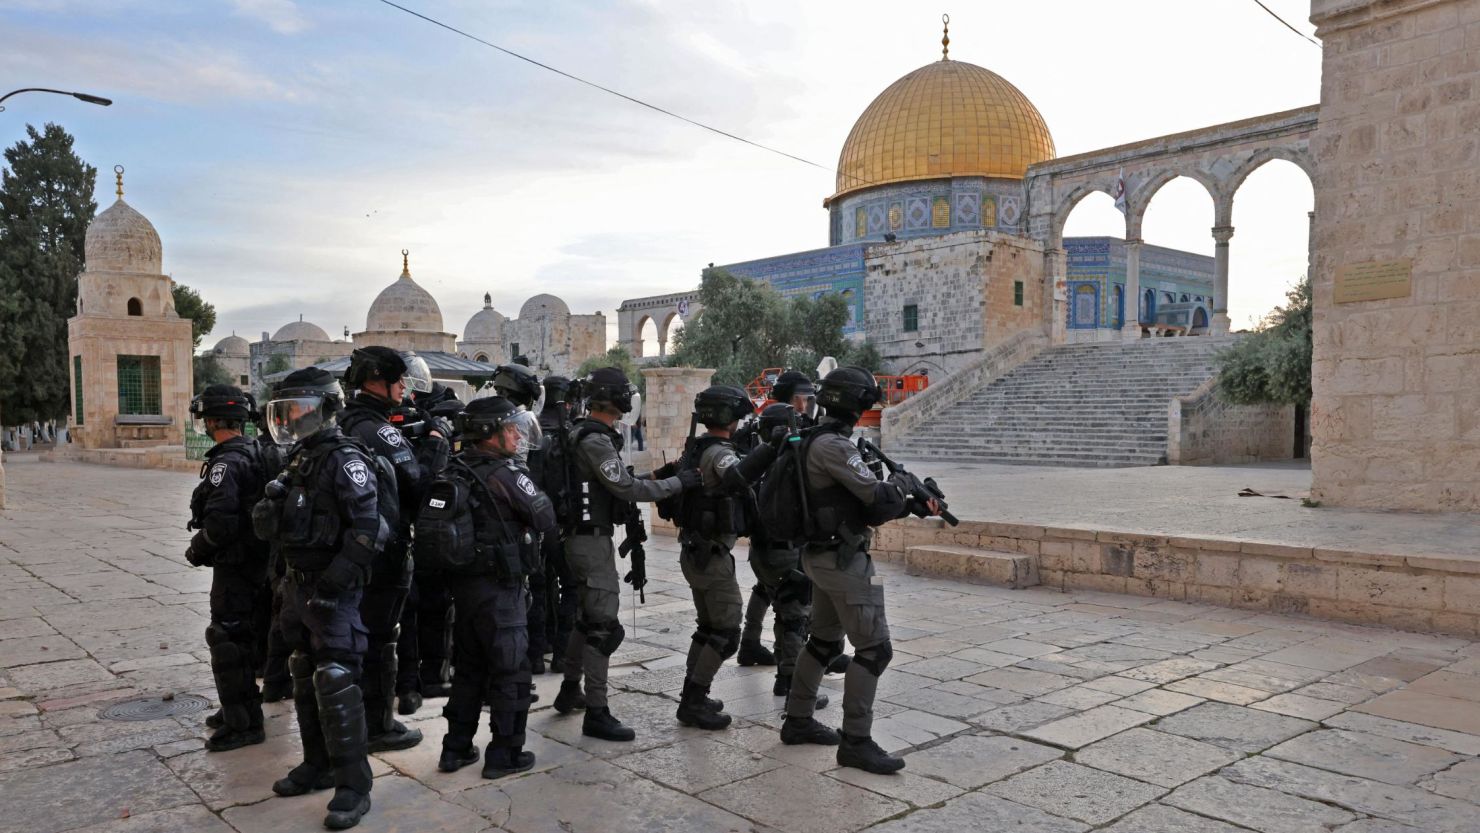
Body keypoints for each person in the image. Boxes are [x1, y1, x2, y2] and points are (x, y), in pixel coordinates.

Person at [779, 366, 939, 775]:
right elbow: (876, 495)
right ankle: (856, 741)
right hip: (844, 561)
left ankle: (798, 720)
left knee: (823, 642)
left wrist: (911, 502)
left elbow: (861, 504)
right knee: (875, 649)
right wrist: (903, 486)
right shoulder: (836, 447)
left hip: (823, 556)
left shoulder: (818, 439)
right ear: (857, 404)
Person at [252, 367, 385, 829]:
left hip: (332, 588)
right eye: (287, 412)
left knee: (336, 678)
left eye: (301, 411)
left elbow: (369, 530)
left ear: (327, 410)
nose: (293, 420)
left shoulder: (345, 459)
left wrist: (335, 584)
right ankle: (317, 764)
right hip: (296, 585)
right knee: (304, 672)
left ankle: (353, 785)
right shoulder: (299, 459)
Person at [552, 367, 701, 741]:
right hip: (588, 540)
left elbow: (617, 479)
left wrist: (657, 475)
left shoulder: (587, 433)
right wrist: (676, 483)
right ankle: (597, 713)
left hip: (582, 536)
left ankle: (570, 690)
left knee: (587, 619)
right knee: (604, 626)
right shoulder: (595, 439)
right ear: (613, 399)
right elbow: (625, 488)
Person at [435, 396, 558, 777]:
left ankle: (454, 749)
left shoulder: (453, 469)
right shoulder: (505, 474)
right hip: (501, 590)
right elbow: (544, 516)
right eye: (509, 428)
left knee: (469, 669)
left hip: (464, 590)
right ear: (489, 434)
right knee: (511, 672)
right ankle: (504, 754)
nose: (517, 435)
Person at [336, 347, 450, 752]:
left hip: (352, 551)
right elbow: (418, 486)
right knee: (381, 639)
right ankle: (378, 724)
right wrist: (436, 444)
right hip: (384, 550)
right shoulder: (379, 430)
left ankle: (356, 723)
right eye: (398, 379)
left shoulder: (345, 422)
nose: (404, 387)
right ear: (375, 381)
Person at [669, 385, 789, 730]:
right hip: (711, 554)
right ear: (730, 416)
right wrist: (769, 447)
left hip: (697, 551)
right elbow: (737, 475)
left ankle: (692, 696)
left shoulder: (698, 447)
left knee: (707, 628)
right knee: (725, 633)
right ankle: (693, 700)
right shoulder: (718, 452)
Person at [738, 369, 853, 674]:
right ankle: (795, 669)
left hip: (767, 535)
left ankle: (752, 642)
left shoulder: (768, 426)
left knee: (768, 589)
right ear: (789, 398)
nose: (804, 406)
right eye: (801, 399)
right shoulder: (774, 429)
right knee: (794, 602)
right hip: (779, 530)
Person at [185, 385, 274, 752]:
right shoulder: (255, 451)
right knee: (246, 639)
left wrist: (197, 548)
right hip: (261, 565)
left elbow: (221, 524)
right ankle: (237, 708)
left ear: (212, 420)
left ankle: (243, 723)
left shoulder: (226, 463)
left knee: (227, 639)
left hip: (236, 566)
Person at [395, 383, 462, 713]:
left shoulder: (429, 421)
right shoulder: (390, 433)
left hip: (425, 533)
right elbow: (419, 482)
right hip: (410, 533)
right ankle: (413, 683)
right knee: (414, 609)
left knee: (425, 607)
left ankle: (423, 678)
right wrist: (435, 443)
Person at [529, 375, 579, 674]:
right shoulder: (569, 432)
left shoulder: (530, 428)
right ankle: (562, 653)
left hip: (534, 519)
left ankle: (536, 654)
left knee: (537, 585)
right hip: (561, 522)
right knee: (570, 586)